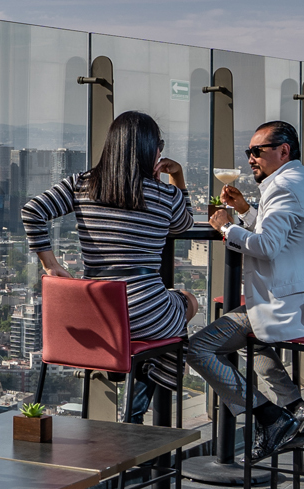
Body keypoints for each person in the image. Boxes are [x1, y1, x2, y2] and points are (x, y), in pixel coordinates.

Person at [23, 111, 200, 421]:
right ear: (151, 150)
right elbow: (182, 225)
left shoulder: (82, 184)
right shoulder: (165, 195)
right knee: (188, 302)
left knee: (156, 325)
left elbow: (32, 210)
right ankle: (134, 411)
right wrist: (178, 179)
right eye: (159, 144)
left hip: (95, 315)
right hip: (146, 311)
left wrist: (50, 265)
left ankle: (124, 367)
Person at [192, 120, 304, 457]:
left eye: (257, 151)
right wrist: (245, 211)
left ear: (283, 151)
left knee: (200, 347)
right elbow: (282, 229)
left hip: (292, 306)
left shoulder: (282, 187)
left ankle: (269, 417)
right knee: (250, 336)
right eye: (249, 152)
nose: (250, 159)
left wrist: (227, 228)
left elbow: (268, 245)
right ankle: (295, 408)